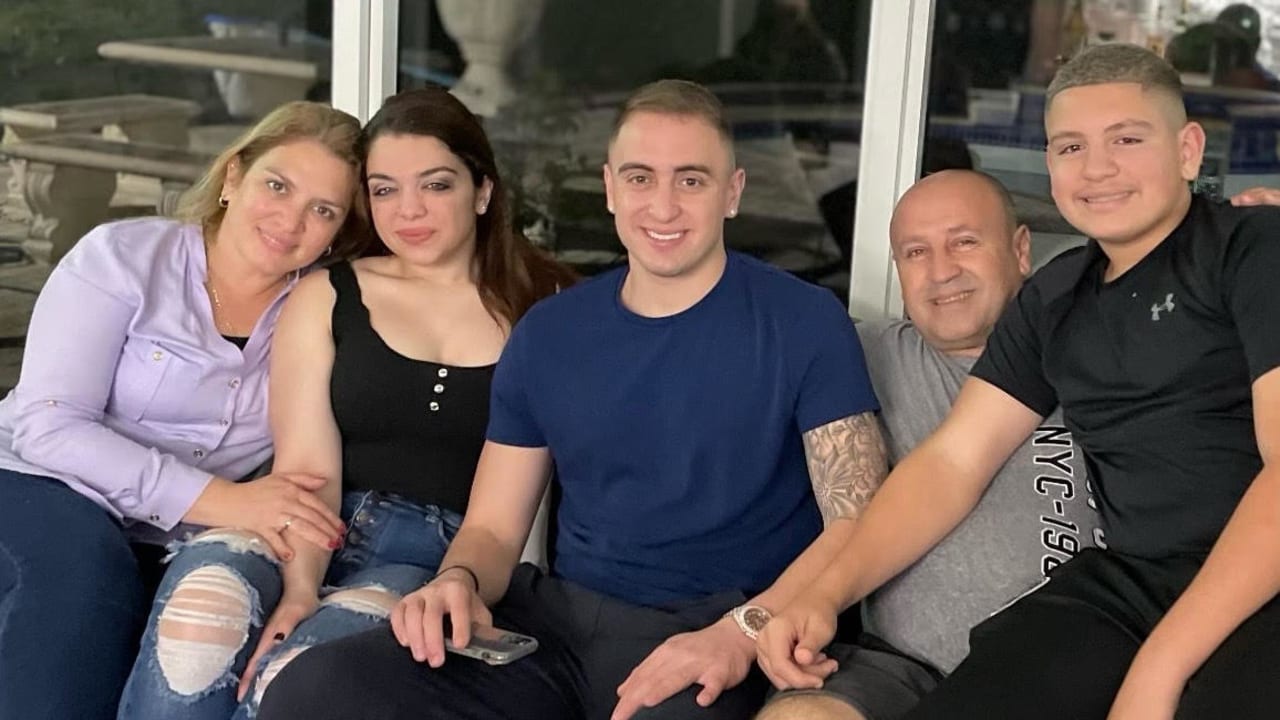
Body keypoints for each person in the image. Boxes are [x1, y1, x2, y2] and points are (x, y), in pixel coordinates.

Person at [257, 78, 887, 720]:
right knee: (314, 690)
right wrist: (457, 581)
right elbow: (493, 528)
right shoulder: (551, 331)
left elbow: (859, 519)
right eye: (640, 178)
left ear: (733, 192)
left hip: (715, 630)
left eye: (691, 180)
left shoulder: (804, 321)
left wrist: (745, 630)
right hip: (556, 628)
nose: (663, 206)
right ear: (610, 188)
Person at [758, 42, 1280, 719]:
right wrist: (826, 594)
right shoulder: (1055, 296)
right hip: (1133, 585)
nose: (1097, 167)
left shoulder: (1253, 247)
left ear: (1187, 150)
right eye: (1070, 147)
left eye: (1126, 139)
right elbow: (951, 463)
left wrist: (1160, 666)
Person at [116, 86, 575, 720]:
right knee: (203, 618)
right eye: (384, 190)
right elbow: (309, 469)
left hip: (433, 557)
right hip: (304, 524)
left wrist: (460, 582)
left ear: (482, 191)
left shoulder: (546, 308)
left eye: (436, 185)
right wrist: (301, 588)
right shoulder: (329, 292)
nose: (408, 209)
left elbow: (497, 523)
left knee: (302, 675)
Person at [0, 100, 368, 720]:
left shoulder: (318, 311)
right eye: (277, 186)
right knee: (84, 577)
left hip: (169, 534)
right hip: (34, 481)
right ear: (233, 177)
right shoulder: (123, 257)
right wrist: (226, 500)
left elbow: (308, 461)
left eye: (323, 210)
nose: (290, 220)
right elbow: (48, 425)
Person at [756, 169, 1100, 720]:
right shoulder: (854, 355)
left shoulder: (1095, 357)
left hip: (1065, 665)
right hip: (895, 667)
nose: (941, 271)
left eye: (964, 242)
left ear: (1020, 250)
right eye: (916, 253)